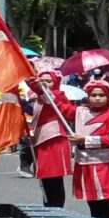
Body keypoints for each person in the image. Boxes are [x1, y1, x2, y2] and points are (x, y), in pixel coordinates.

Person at [68, 79, 109, 218]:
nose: (97, 98)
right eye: (93, 95)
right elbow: (60, 107)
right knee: (91, 199)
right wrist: (41, 88)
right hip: (84, 163)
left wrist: (85, 139)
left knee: (103, 200)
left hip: (103, 165)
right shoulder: (80, 112)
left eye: (101, 95)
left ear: (108, 96)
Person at [27, 72, 71, 209]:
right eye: (42, 80)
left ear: (56, 82)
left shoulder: (57, 95)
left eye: (49, 81)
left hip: (55, 142)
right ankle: (48, 210)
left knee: (55, 181)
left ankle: (57, 212)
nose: (45, 83)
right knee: (45, 181)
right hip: (41, 142)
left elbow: (67, 111)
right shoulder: (38, 99)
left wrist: (39, 86)